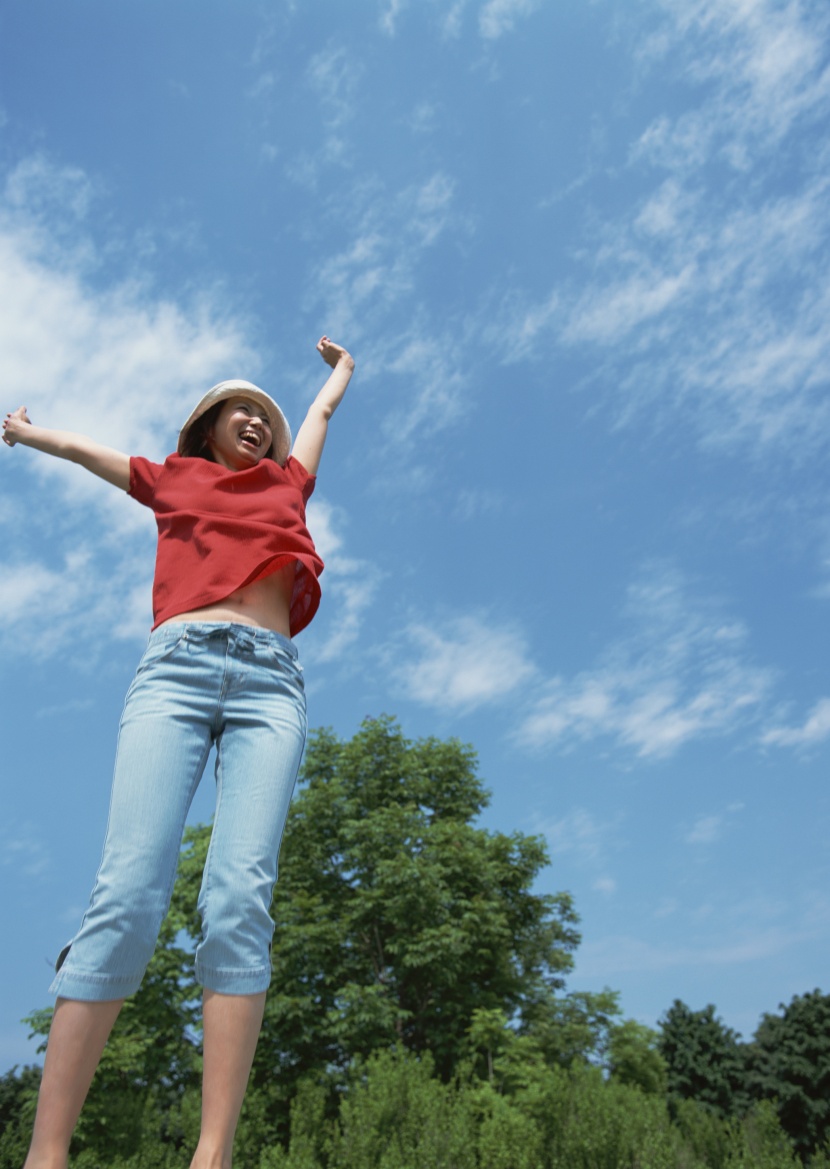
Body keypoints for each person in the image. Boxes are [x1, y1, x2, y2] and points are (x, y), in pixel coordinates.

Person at [3, 336, 355, 1169]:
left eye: (267, 420)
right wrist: (26, 431)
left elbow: (321, 415)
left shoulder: (288, 484)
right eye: (244, 413)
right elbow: (97, 457)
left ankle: (212, 1155)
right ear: (208, 426)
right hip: (177, 674)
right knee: (126, 894)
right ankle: (45, 1155)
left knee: (239, 900)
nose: (260, 427)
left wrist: (340, 371)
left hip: (272, 688)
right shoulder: (175, 477)